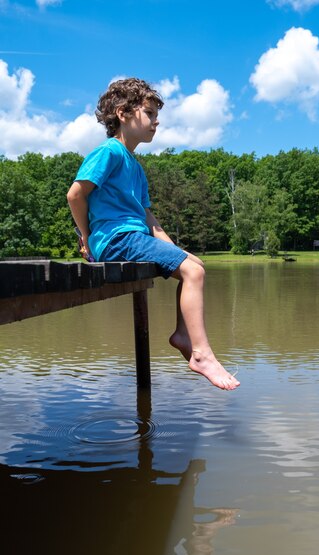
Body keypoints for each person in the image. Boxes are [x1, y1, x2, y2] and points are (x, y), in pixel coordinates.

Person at [67, 77, 240, 391]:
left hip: (134, 237)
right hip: (118, 239)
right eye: (149, 113)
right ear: (123, 113)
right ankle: (201, 354)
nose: (156, 122)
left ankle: (182, 335)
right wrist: (87, 237)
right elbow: (76, 195)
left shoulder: (135, 165)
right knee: (191, 272)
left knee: (194, 267)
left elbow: (149, 219)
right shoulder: (109, 152)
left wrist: (179, 253)